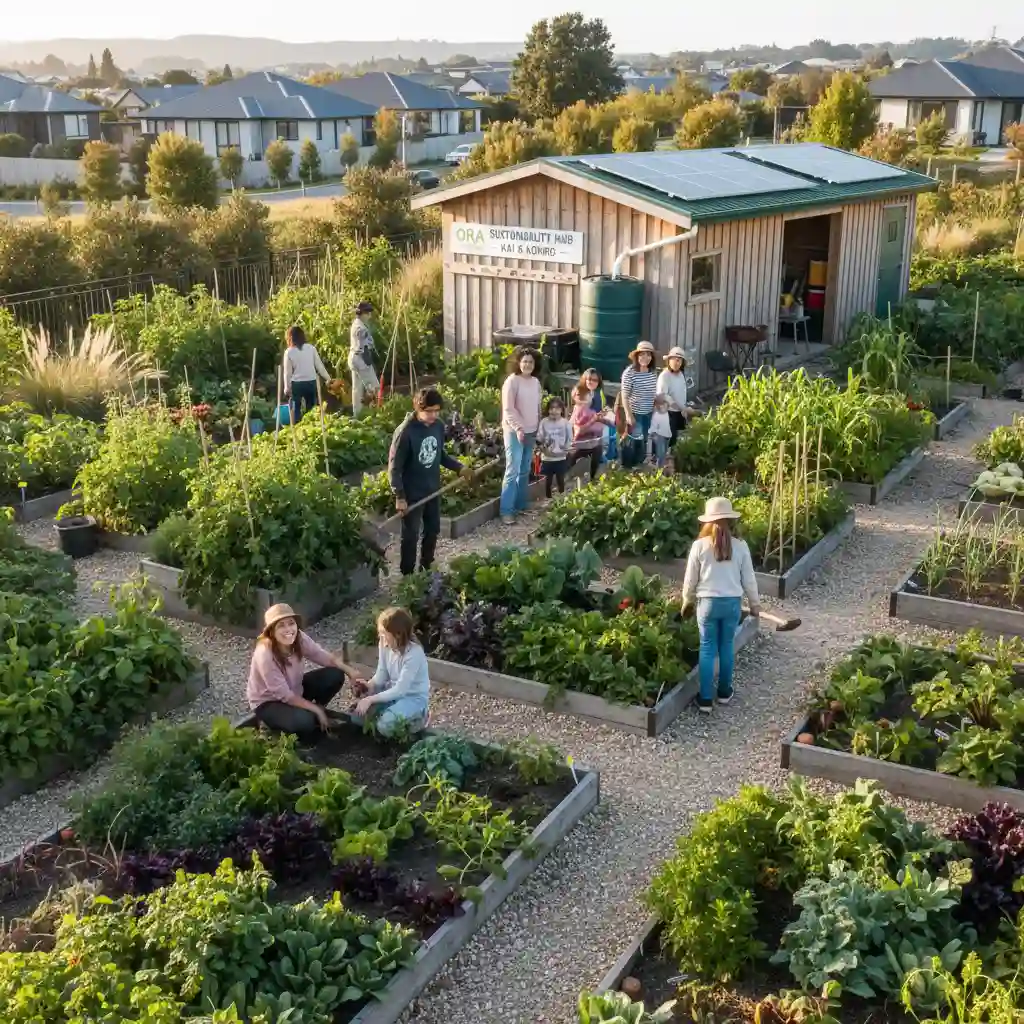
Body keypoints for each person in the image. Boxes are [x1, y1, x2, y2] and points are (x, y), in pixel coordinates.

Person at [681, 498, 762, 714]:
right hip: (732, 605)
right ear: (729, 519)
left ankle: (705, 699)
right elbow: (749, 580)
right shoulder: (741, 546)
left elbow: (690, 580)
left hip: (707, 604)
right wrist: (755, 604)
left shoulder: (699, 546)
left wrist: (686, 600)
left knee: (707, 648)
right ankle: (725, 692)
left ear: (707, 521)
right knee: (726, 646)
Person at [247, 603, 359, 735]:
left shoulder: (298, 637)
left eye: (291, 623)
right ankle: (270, 724)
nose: (288, 629)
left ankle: (314, 713)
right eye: (281, 626)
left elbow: (321, 655)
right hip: (270, 702)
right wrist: (316, 710)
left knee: (335, 674)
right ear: (271, 631)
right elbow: (284, 695)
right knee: (305, 722)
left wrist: (351, 672)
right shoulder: (265, 654)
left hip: (295, 689)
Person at [389, 386, 466, 576]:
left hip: (432, 490)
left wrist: (460, 468)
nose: (433, 415)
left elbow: (439, 455)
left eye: (436, 410)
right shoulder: (405, 432)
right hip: (412, 493)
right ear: (418, 408)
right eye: (428, 411)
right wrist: (400, 496)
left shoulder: (438, 426)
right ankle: (407, 575)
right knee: (410, 536)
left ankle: (426, 570)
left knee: (432, 531)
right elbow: (394, 468)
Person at [352, 606, 430, 737]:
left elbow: (400, 690)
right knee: (357, 717)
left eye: (383, 633)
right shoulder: (385, 644)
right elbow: (382, 674)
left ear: (397, 634)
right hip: (392, 693)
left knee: (385, 726)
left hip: (412, 698)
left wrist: (370, 699)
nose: (380, 636)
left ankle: (421, 717)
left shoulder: (414, 654)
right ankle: (392, 715)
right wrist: (369, 685)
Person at [499, 346, 542, 524]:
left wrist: (539, 426)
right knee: (513, 469)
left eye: (531, 362)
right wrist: (518, 428)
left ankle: (521, 505)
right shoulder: (512, 381)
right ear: (518, 363)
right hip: (515, 431)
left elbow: (538, 407)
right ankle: (506, 510)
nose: (527, 364)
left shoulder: (535, 382)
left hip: (531, 431)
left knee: (524, 469)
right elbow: (508, 409)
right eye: (524, 361)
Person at [283, 326, 330, 424]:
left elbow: (287, 372)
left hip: (297, 384)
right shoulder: (311, 348)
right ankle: (311, 426)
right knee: (311, 409)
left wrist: (287, 387)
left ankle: (297, 429)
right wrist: (328, 378)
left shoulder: (289, 352)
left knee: (296, 409)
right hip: (311, 382)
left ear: (290, 337)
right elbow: (319, 366)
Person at [620, 341, 659, 453]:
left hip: (649, 412)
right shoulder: (629, 373)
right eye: (642, 354)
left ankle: (640, 463)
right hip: (635, 414)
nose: (645, 357)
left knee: (645, 439)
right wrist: (629, 415)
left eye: (648, 354)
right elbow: (625, 395)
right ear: (637, 356)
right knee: (634, 441)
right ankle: (628, 465)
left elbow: (654, 392)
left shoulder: (652, 372)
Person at [657, 346, 698, 446]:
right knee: (667, 438)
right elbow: (663, 396)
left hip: (678, 411)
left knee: (675, 437)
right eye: (674, 360)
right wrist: (682, 407)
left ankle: (671, 456)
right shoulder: (665, 375)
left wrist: (683, 408)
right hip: (668, 412)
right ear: (669, 361)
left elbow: (681, 392)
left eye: (679, 360)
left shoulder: (680, 374)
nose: (677, 363)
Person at [569, 384, 610, 481]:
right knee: (572, 458)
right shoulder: (578, 410)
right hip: (580, 444)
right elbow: (580, 429)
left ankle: (592, 476)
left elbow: (598, 428)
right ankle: (569, 475)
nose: (583, 398)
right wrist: (594, 421)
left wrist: (599, 419)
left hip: (589, 442)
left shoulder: (589, 411)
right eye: (579, 395)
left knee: (597, 449)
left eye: (586, 395)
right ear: (574, 397)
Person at [536, 397, 572, 498]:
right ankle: (548, 498)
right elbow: (539, 437)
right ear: (548, 410)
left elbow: (570, 438)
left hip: (561, 457)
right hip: (547, 457)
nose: (554, 411)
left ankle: (561, 497)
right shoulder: (544, 422)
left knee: (560, 479)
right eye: (551, 408)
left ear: (561, 410)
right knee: (548, 480)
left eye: (557, 408)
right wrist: (543, 447)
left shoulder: (565, 423)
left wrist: (566, 448)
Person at [578, 368, 616, 462]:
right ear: (584, 379)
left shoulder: (599, 392)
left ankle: (606, 457)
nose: (592, 382)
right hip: (586, 426)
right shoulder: (581, 394)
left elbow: (602, 407)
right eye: (589, 379)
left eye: (595, 380)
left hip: (598, 422)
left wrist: (606, 411)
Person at [349, 301, 379, 416]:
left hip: (354, 358)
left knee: (357, 389)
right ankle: (373, 412)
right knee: (373, 386)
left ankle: (357, 414)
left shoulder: (357, 324)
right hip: (360, 358)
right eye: (368, 313)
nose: (369, 316)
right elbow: (363, 345)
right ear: (361, 314)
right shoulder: (360, 327)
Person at [650, 395, 673, 469]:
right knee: (661, 454)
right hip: (659, 435)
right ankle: (660, 470)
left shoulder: (668, 413)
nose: (661, 406)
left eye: (663, 404)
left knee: (664, 453)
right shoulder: (656, 415)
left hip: (667, 435)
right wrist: (654, 435)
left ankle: (657, 463)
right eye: (659, 404)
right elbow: (653, 427)